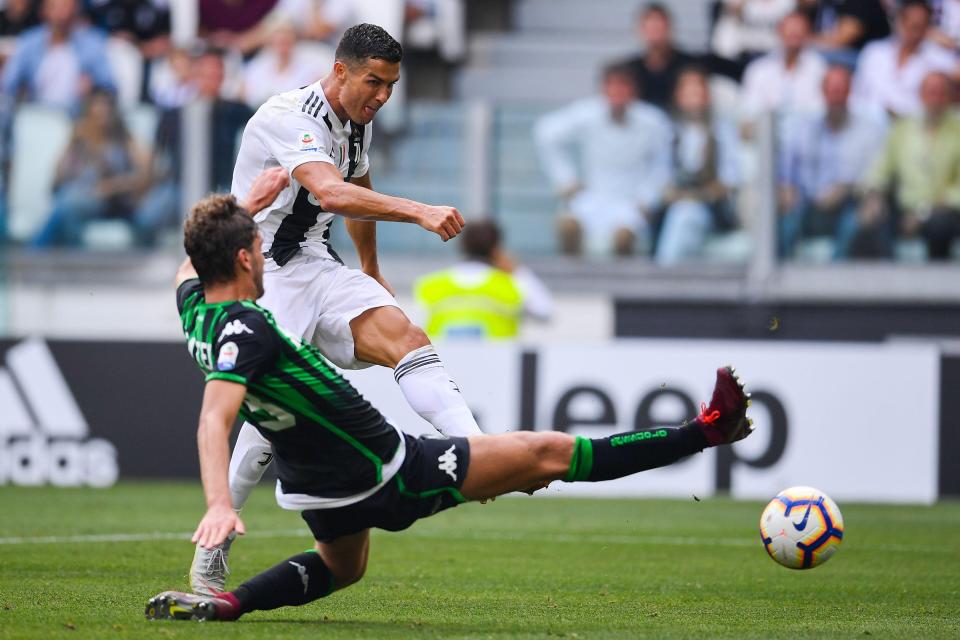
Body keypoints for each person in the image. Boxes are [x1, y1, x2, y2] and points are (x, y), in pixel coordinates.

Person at [145, 183, 754, 622]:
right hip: (380, 468)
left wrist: (246, 204)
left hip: (317, 486)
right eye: (258, 241)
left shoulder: (196, 309)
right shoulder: (246, 329)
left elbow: (186, 269)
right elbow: (214, 417)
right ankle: (708, 429)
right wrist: (220, 504)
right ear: (248, 258)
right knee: (547, 452)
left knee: (343, 567)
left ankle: (229, 604)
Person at [187, 24, 482, 596]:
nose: (382, 96)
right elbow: (331, 192)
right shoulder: (287, 116)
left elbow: (358, 180)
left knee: (406, 337)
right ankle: (213, 546)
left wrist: (369, 269)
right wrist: (420, 212)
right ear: (340, 71)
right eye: (374, 81)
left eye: (392, 86)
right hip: (265, 276)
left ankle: (476, 449)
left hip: (320, 266)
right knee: (266, 425)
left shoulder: (354, 122)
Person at [534, 62, 671, 257]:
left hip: (630, 203)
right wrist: (565, 180)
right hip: (592, 197)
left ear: (634, 90)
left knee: (623, 239)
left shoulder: (653, 121)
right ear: (603, 89)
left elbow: (662, 165)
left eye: (623, 86)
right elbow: (545, 132)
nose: (617, 92)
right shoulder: (588, 113)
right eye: (612, 86)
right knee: (567, 228)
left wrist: (648, 199)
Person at [134, 47, 253, 246]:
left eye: (216, 74)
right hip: (179, 185)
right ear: (195, 76)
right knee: (147, 219)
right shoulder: (174, 114)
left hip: (223, 185)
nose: (211, 79)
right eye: (206, 74)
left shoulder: (236, 111)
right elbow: (157, 153)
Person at [778, 65, 886, 259]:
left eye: (841, 90)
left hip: (850, 203)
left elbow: (876, 176)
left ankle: (835, 282)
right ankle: (781, 285)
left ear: (849, 91)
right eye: (832, 90)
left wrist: (845, 188)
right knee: (785, 224)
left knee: (855, 222)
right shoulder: (803, 128)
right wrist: (787, 189)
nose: (836, 96)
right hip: (807, 205)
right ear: (823, 92)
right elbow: (786, 171)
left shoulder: (870, 130)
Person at [855, 72, 960, 260]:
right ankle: (886, 284)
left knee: (939, 225)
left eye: (940, 93)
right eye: (930, 93)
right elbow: (881, 169)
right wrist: (873, 194)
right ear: (921, 95)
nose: (935, 99)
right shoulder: (903, 128)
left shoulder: (957, 129)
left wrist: (923, 214)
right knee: (871, 218)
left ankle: (936, 286)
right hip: (905, 209)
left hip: (944, 213)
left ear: (950, 97)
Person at [31, 89, 148, 248]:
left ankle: (36, 251)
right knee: (67, 211)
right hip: (77, 195)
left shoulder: (124, 139)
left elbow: (144, 174)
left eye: (105, 109)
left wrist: (112, 187)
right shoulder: (81, 138)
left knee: (65, 206)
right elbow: (58, 173)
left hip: (107, 200)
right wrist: (71, 143)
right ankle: (71, 256)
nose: (101, 115)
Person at [654, 66, 740, 265]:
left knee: (686, 216)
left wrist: (700, 196)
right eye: (688, 92)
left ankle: (663, 276)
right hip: (673, 205)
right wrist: (675, 195)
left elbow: (731, 177)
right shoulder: (668, 131)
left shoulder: (722, 131)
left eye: (698, 92)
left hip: (710, 207)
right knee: (679, 214)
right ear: (678, 96)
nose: (694, 98)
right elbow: (660, 175)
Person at [414, 219, 553, 340]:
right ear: (496, 249)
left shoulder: (430, 285)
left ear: (462, 245)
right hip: (499, 366)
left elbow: (413, 332)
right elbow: (545, 313)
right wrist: (517, 271)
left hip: (444, 367)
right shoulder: (512, 284)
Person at [0, 0, 115, 112]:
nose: (62, 14)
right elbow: (9, 85)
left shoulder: (93, 44)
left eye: (66, 7)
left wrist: (93, 89)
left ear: (76, 10)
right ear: (44, 11)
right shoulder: (29, 42)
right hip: (35, 115)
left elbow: (109, 87)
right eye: (55, 7)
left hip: (78, 118)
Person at [852, 0, 956, 117]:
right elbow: (857, 93)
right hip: (870, 121)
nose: (914, 32)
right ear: (899, 22)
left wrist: (952, 43)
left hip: (912, 127)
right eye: (910, 25)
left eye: (919, 26)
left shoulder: (938, 58)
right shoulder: (874, 52)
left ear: (927, 27)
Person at [739, 11, 827, 121]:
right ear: (779, 32)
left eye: (798, 30)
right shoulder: (758, 70)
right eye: (790, 29)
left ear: (808, 33)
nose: (794, 32)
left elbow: (820, 110)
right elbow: (750, 111)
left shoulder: (820, 68)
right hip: (767, 132)